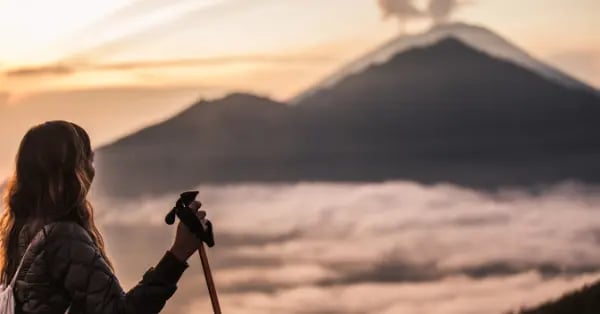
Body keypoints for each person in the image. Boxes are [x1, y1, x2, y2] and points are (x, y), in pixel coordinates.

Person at [0, 120, 204, 313]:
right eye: (88, 159)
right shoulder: (63, 238)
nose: (92, 169)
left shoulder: (22, 232)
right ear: (74, 171)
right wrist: (178, 255)